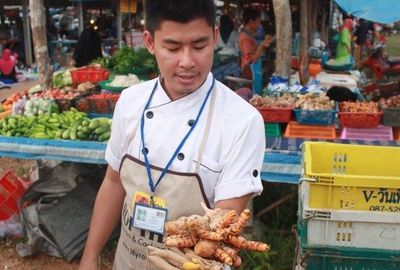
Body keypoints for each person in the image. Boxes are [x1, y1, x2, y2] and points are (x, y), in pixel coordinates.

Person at [79, 1, 265, 269]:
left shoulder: (242, 122)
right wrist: (90, 255)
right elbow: (113, 182)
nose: (187, 62)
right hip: (128, 260)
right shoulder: (131, 102)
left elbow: (223, 220)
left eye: (199, 46)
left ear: (214, 37)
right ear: (150, 42)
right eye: (173, 47)